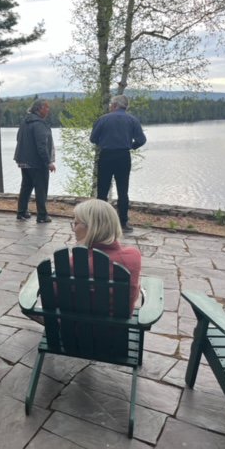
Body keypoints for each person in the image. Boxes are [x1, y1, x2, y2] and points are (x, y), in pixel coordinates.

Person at [72, 198, 142, 313]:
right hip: (117, 329)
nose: (74, 229)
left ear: (91, 227)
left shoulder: (76, 263)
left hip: (75, 328)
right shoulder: (133, 257)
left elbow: (55, 295)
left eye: (76, 223)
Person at [90, 94, 147, 233]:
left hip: (106, 155)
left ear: (115, 105)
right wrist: (131, 146)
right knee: (123, 190)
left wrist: (103, 143)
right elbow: (141, 140)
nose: (110, 106)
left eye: (111, 104)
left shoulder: (103, 119)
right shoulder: (132, 120)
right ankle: (123, 223)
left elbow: (93, 138)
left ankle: (100, 223)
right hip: (123, 156)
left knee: (102, 191)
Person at [14, 99, 56, 223]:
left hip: (24, 161)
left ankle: (21, 212)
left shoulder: (24, 122)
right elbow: (42, 146)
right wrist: (48, 162)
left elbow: (18, 138)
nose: (48, 110)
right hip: (37, 162)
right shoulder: (39, 124)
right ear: (39, 108)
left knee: (26, 186)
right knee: (41, 188)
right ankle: (42, 215)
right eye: (46, 107)